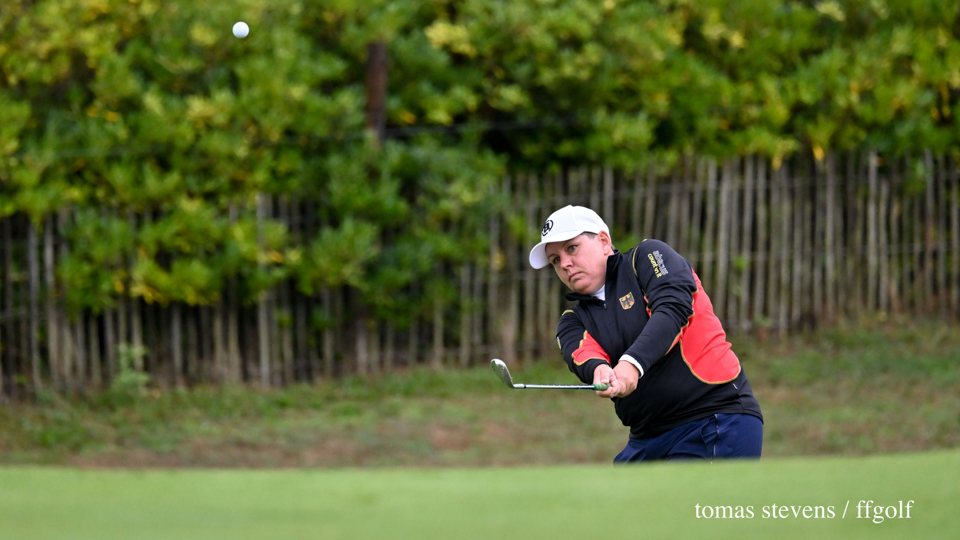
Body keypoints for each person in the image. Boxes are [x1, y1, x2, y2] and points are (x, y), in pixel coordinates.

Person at [529, 205, 763, 462]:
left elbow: (673, 310)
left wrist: (631, 364)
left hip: (715, 419)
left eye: (571, 248)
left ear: (604, 241)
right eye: (555, 260)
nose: (565, 264)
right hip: (646, 437)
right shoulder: (572, 321)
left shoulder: (647, 257)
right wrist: (601, 372)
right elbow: (584, 355)